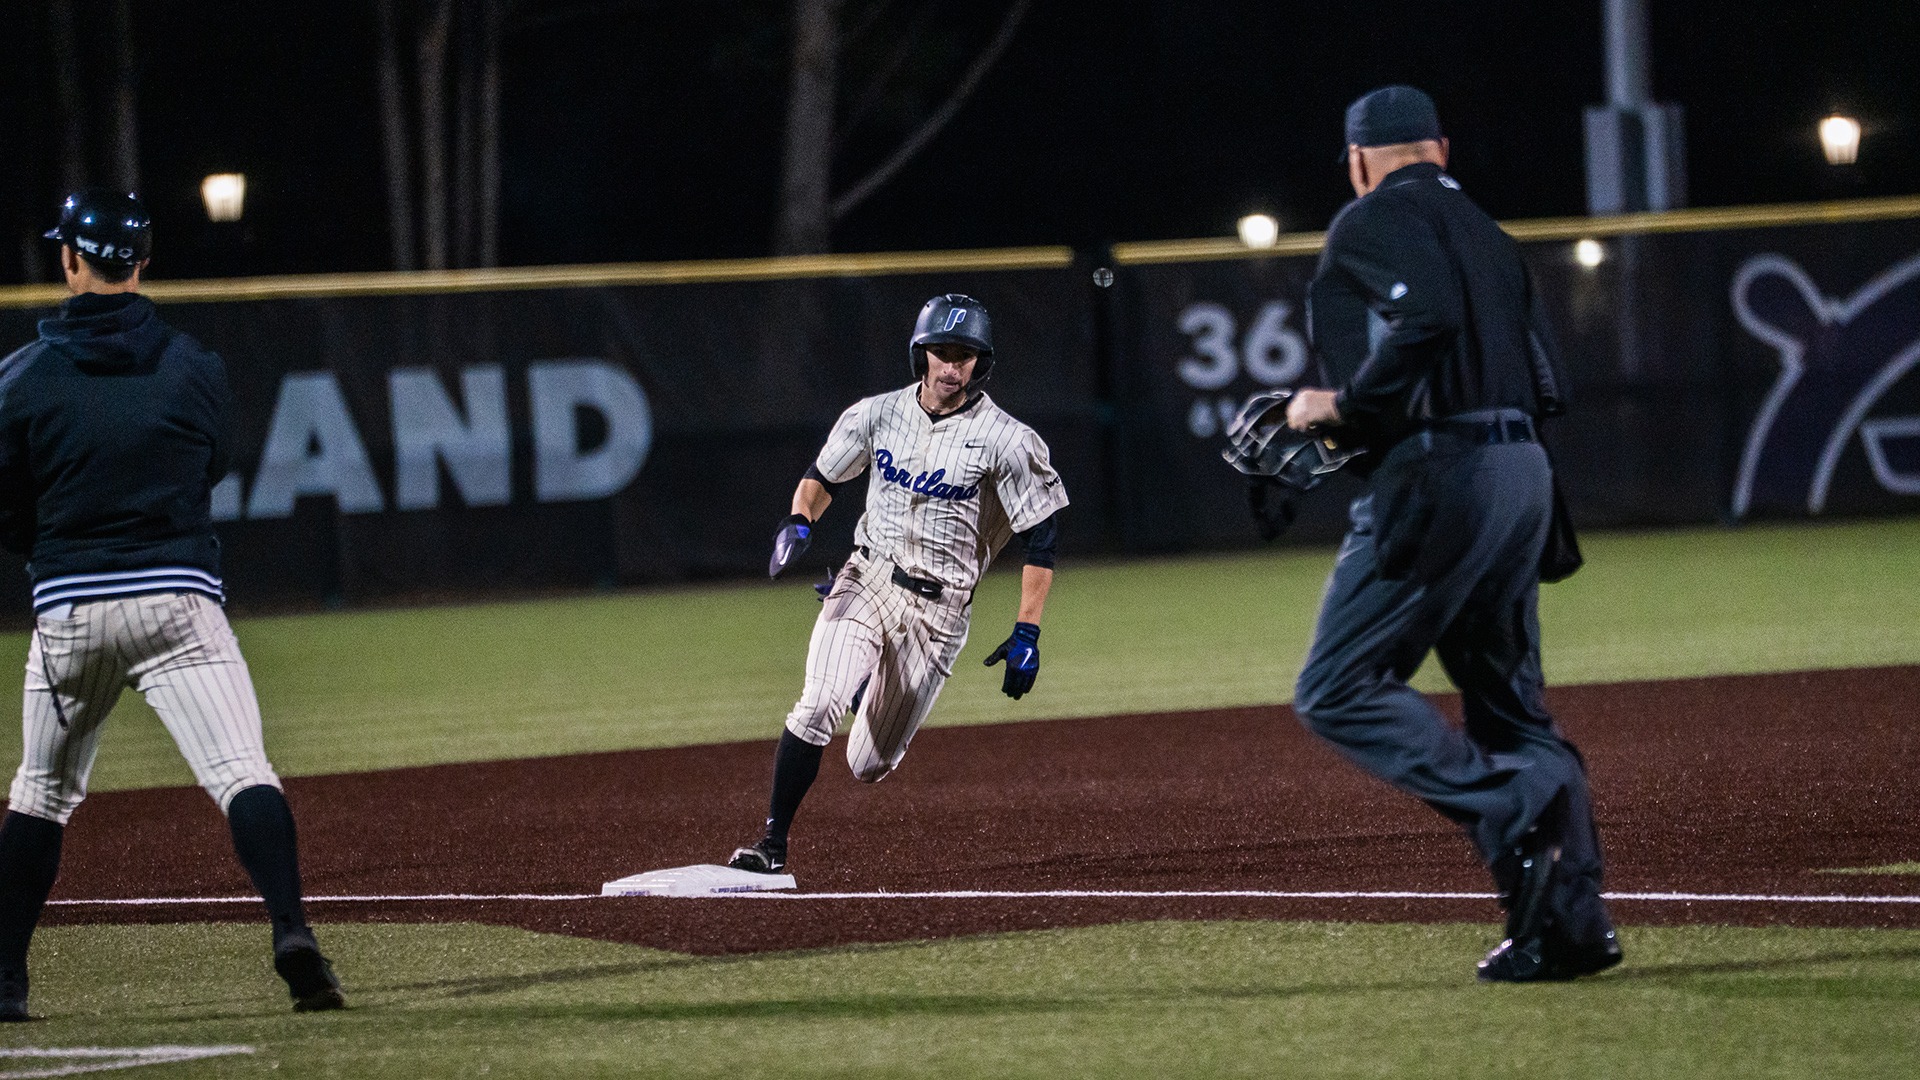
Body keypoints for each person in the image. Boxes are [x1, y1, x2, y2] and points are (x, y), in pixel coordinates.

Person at [1282, 87, 1620, 981]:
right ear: (1439, 147)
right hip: (1521, 473)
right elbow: (1547, 383)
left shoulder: (1366, 225)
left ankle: (1512, 805)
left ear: (1359, 161)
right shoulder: (1491, 236)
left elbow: (1420, 322)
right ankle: (1570, 926)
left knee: (1339, 688)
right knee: (1512, 710)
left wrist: (1343, 410)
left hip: (1446, 479)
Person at [0, 190, 345, 1020]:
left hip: (72, 612)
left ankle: (5, 980)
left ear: (68, 261)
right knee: (241, 774)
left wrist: (53, 539)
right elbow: (209, 467)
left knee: (41, 793)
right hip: (178, 602)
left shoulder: (19, 378)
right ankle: (293, 933)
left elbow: (6, 502)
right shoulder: (194, 364)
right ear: (143, 262)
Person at [726, 294, 1068, 875]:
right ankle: (772, 844)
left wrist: (1027, 630)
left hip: (940, 615)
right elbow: (822, 476)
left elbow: (1044, 536)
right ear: (921, 353)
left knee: (869, 763)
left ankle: (869, 693)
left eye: (965, 355)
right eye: (942, 352)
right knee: (815, 707)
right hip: (868, 577)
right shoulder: (877, 414)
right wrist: (799, 520)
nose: (951, 365)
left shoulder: (1008, 440)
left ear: (980, 363)